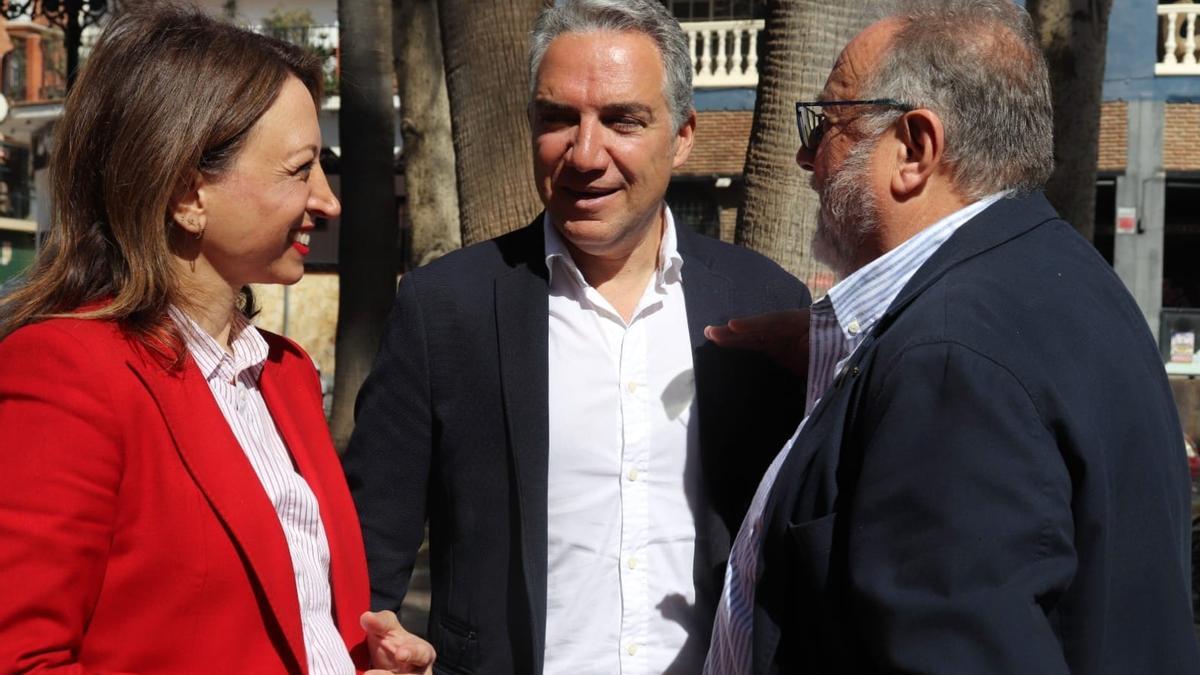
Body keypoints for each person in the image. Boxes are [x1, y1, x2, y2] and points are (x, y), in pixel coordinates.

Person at [703, 1, 1200, 673]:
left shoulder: (948, 360)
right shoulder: (1064, 282)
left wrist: (905, 368)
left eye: (828, 124)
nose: (805, 155)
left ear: (913, 149)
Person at [341, 0, 809, 672]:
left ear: (683, 135)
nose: (586, 155)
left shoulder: (764, 307)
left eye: (622, 119)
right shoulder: (444, 310)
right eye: (558, 119)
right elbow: (367, 562)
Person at [0, 5, 432, 673]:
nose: (328, 199)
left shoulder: (283, 374)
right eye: (299, 169)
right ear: (187, 191)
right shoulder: (63, 371)